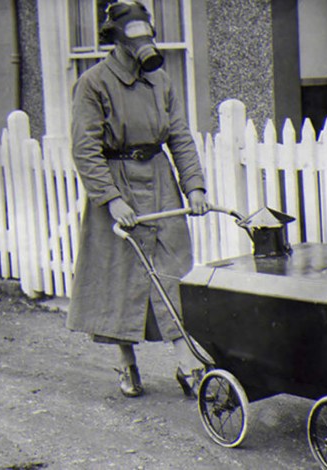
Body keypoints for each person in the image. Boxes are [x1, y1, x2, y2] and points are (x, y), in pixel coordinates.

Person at [67, 1, 208, 399]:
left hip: (160, 178)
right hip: (118, 181)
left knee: (172, 268)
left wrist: (193, 185)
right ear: (115, 40)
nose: (143, 44)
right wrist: (110, 199)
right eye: (134, 37)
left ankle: (186, 361)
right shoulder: (93, 83)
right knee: (119, 274)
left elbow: (179, 135)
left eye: (148, 34)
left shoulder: (161, 81)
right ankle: (125, 360)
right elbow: (85, 150)